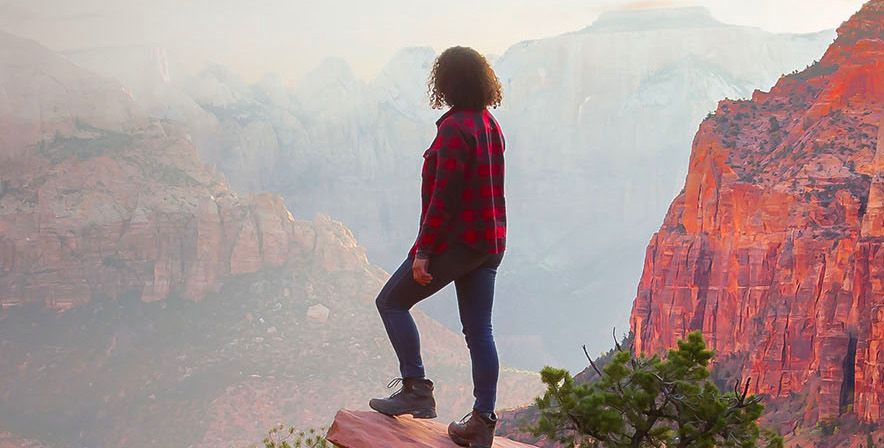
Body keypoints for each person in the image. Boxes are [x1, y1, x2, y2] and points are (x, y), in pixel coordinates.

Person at [369, 45, 507, 448]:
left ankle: (416, 388)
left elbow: (444, 197)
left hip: (455, 243)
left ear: (446, 83)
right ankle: (483, 420)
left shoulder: (453, 129)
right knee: (480, 330)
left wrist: (425, 251)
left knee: (391, 302)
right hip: (490, 243)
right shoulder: (489, 124)